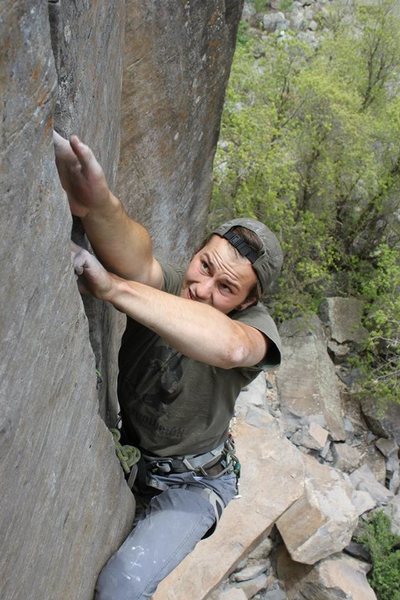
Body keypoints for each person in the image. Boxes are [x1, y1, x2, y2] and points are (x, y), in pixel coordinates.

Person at [53, 131, 283, 600]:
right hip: (136, 460)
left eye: (226, 288)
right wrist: (98, 204)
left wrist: (113, 289)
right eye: (205, 266)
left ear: (248, 302)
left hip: (194, 484)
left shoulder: (255, 331)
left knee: (122, 585)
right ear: (196, 253)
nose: (202, 288)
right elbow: (136, 256)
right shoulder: (174, 284)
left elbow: (232, 349)